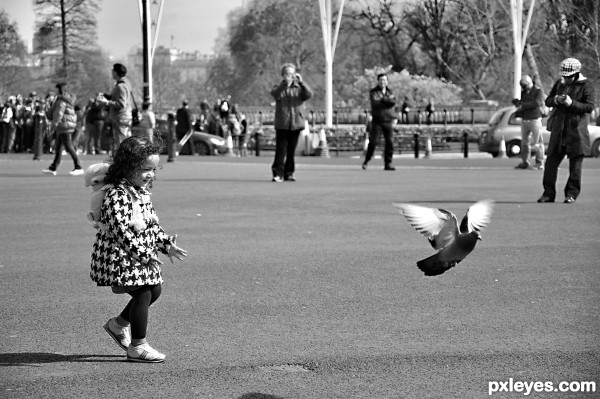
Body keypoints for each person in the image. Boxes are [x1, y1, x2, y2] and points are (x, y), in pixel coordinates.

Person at [90, 136, 187, 362]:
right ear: (127, 166)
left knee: (155, 290)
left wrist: (166, 245)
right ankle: (137, 345)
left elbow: (152, 223)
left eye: (154, 169)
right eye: (145, 169)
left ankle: (118, 325)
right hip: (118, 257)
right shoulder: (117, 194)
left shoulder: (140, 191)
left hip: (136, 256)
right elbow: (119, 231)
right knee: (144, 292)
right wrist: (143, 255)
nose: (150, 174)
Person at [537, 58, 595, 204]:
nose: (566, 79)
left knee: (575, 168)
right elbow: (548, 100)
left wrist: (571, 103)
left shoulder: (586, 85)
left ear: (576, 74)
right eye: (564, 76)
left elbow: (589, 107)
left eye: (569, 76)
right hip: (559, 131)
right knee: (550, 164)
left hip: (576, 132)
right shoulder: (559, 84)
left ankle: (571, 194)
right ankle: (548, 194)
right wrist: (556, 99)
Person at [270, 63, 313, 182]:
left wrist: (302, 83)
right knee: (281, 150)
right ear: (283, 75)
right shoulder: (278, 87)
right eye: (287, 73)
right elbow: (275, 94)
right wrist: (285, 84)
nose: (290, 76)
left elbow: (309, 95)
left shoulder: (299, 88)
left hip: (296, 123)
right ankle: (277, 173)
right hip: (283, 123)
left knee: (291, 151)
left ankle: (289, 172)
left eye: (292, 73)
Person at [41, 83, 83, 176]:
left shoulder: (61, 101)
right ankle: (53, 167)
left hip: (64, 126)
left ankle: (78, 166)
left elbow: (58, 115)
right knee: (59, 148)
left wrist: (52, 127)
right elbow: (51, 114)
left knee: (68, 147)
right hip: (64, 126)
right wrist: (47, 106)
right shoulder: (64, 100)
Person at [362, 73, 397, 171]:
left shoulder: (390, 91)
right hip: (377, 120)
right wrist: (386, 101)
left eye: (385, 80)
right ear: (378, 81)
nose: (383, 82)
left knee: (390, 142)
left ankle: (388, 164)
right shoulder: (374, 92)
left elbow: (393, 102)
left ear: (387, 81)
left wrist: (383, 100)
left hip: (388, 120)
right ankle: (366, 160)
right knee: (374, 142)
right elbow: (375, 103)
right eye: (381, 80)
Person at [512, 75, 545, 170]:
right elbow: (522, 105)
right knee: (524, 143)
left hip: (534, 119)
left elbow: (537, 103)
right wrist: (518, 104)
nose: (523, 87)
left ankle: (539, 162)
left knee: (538, 142)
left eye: (524, 85)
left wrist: (523, 105)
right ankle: (525, 161)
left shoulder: (538, 91)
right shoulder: (524, 93)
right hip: (525, 119)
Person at [100, 63, 133, 151]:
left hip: (120, 118)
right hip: (124, 117)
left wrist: (106, 102)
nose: (111, 72)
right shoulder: (126, 84)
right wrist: (108, 97)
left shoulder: (120, 86)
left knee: (121, 144)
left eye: (112, 70)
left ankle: (123, 163)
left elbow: (121, 103)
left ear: (116, 72)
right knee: (124, 142)